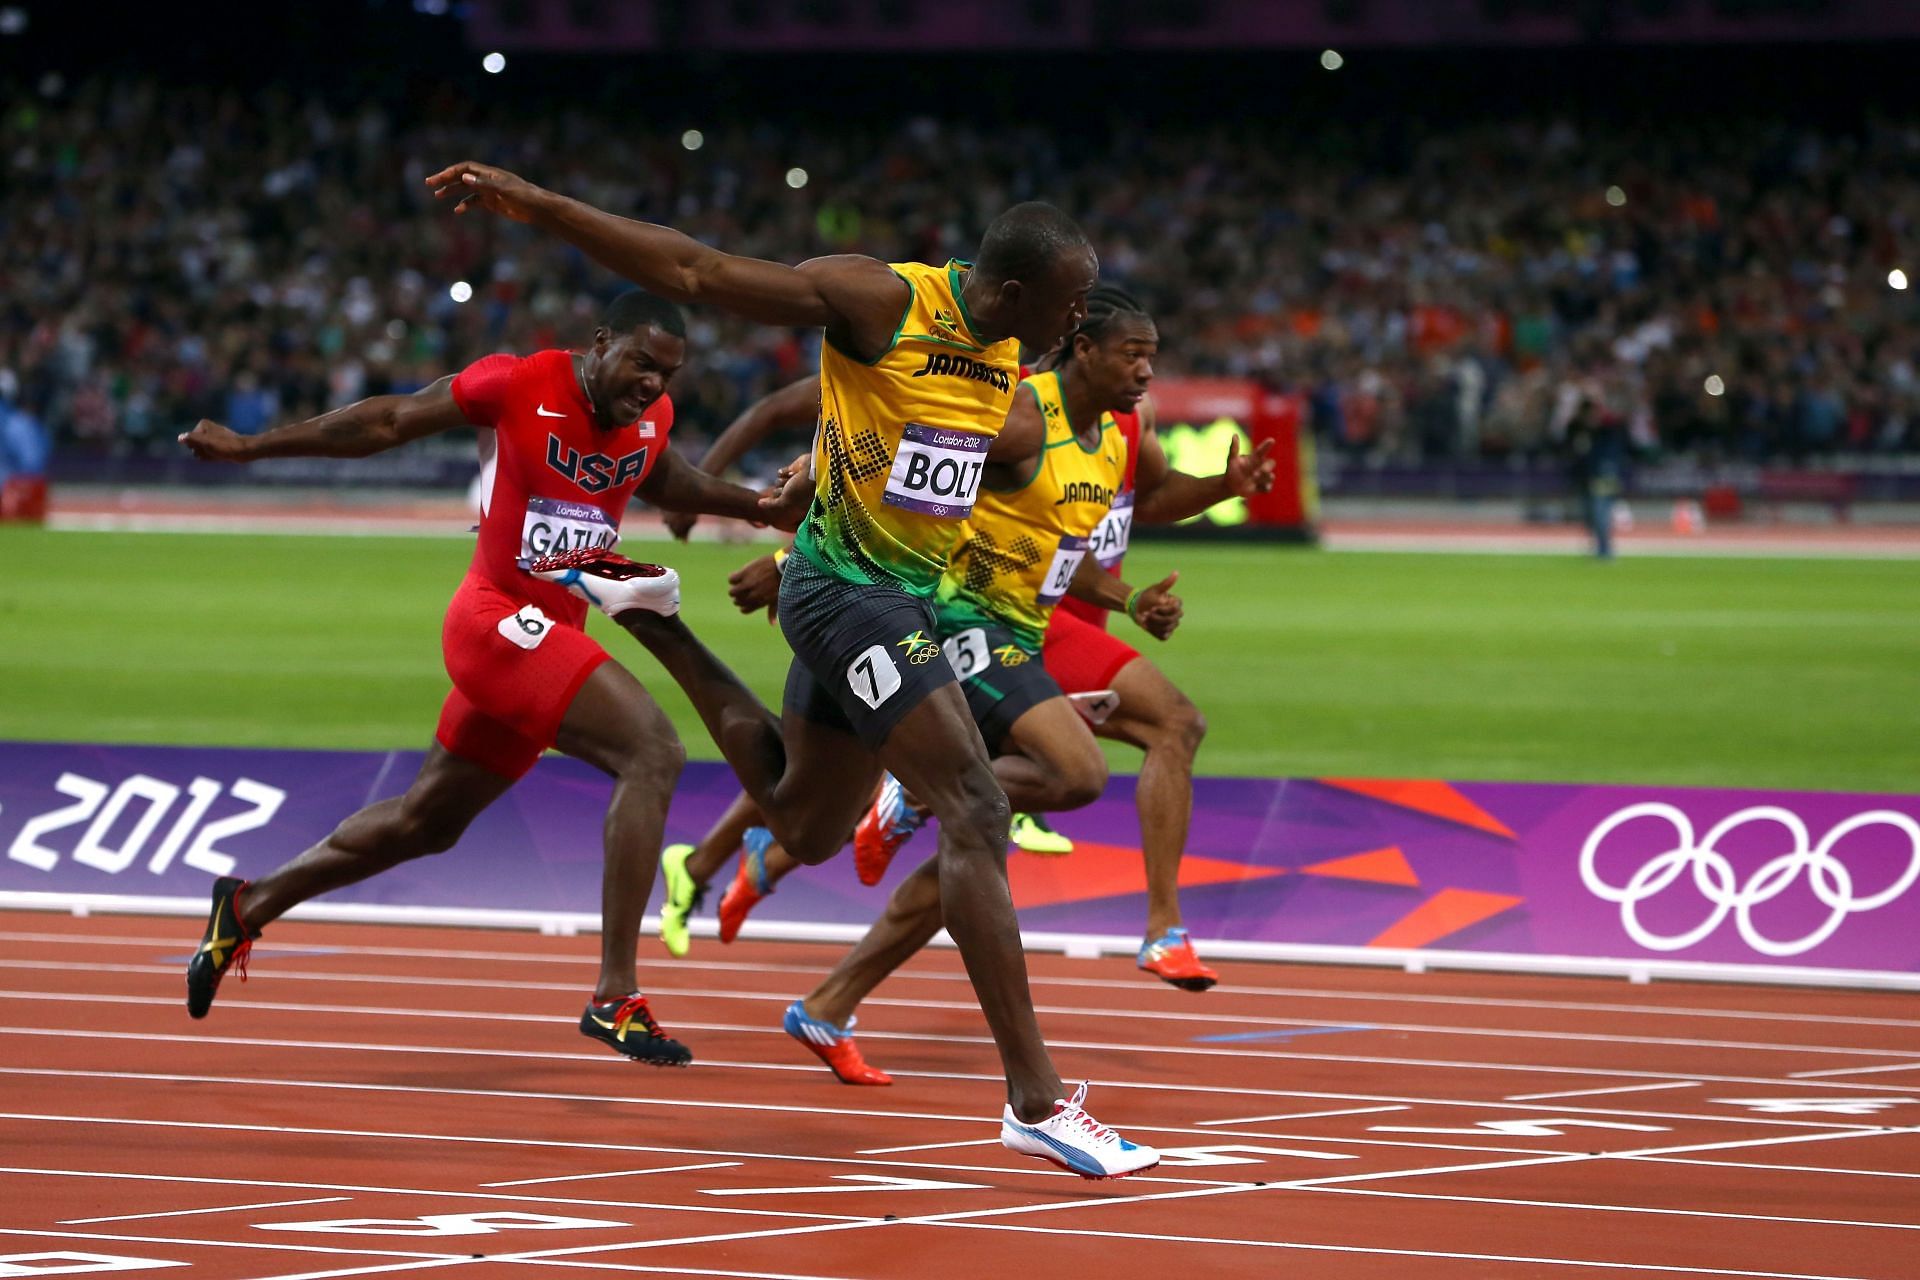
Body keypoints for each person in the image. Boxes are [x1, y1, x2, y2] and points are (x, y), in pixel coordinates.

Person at [431, 160, 1157, 1177]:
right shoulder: (885, 298)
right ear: (1014, 287)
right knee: (978, 808)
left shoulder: (1011, 372)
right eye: (1071, 301)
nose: (1079, 320)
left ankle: (662, 624)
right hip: (846, 596)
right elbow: (695, 269)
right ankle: (1034, 1099)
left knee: (805, 822)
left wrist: (832, 459)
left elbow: (970, 462)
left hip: (886, 597)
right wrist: (543, 206)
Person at [175, 290, 799, 1067]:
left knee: (425, 825)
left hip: (549, 639)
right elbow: (388, 422)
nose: (652, 385)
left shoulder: (651, 418)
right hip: (493, 617)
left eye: (667, 375)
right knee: (653, 751)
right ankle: (615, 995)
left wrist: (762, 509)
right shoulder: (516, 383)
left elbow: (666, 478)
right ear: (599, 339)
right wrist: (251, 448)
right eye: (641, 363)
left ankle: (247, 904)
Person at [656, 290, 1274, 998]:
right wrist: (789, 559)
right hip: (956, 612)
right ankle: (1155, 931)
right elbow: (902, 469)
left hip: (1036, 614)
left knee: (960, 811)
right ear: (1082, 348)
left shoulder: (1125, 428)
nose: (1145, 374)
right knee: (1038, 775)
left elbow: (1133, 510)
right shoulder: (1008, 405)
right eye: (1133, 356)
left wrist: (1211, 501)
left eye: (1151, 360)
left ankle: (827, 994)